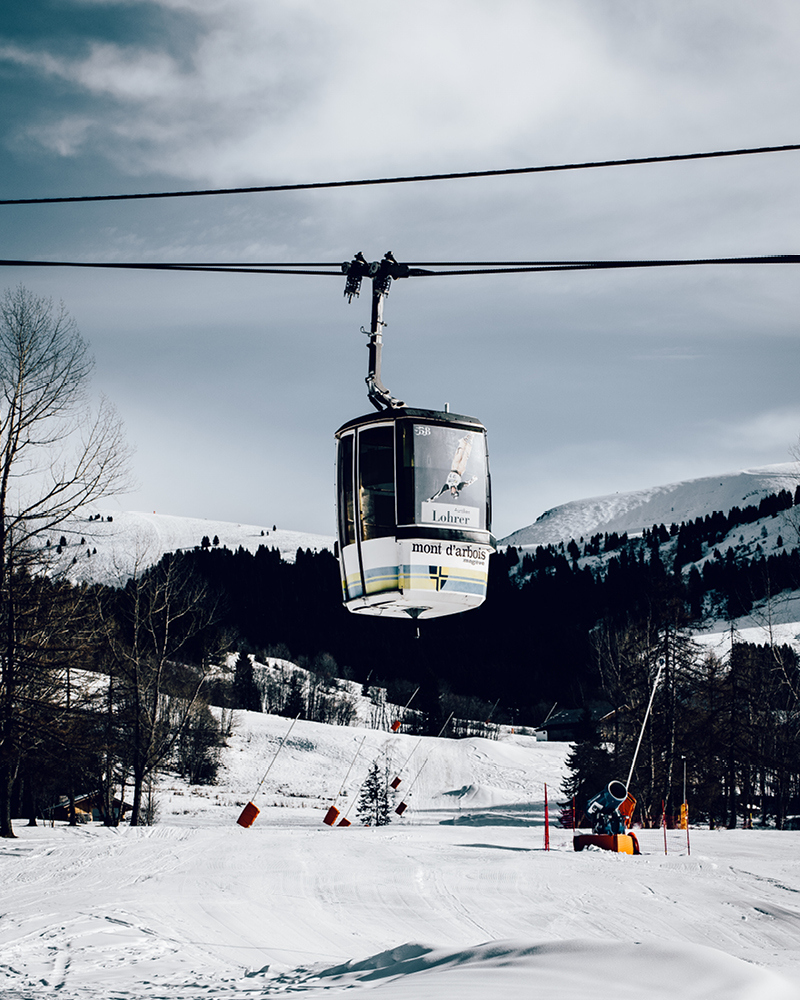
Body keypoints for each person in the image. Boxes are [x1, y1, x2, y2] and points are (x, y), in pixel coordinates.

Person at [427, 434, 477, 501]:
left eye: (454, 492)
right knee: (465, 457)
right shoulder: (459, 487)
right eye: (456, 491)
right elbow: (466, 484)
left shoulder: (447, 486)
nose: (455, 490)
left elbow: (439, 492)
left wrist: (432, 498)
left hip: (453, 468)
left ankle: (463, 442)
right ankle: (469, 441)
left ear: (451, 492)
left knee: (458, 454)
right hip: (460, 470)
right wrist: (473, 479)